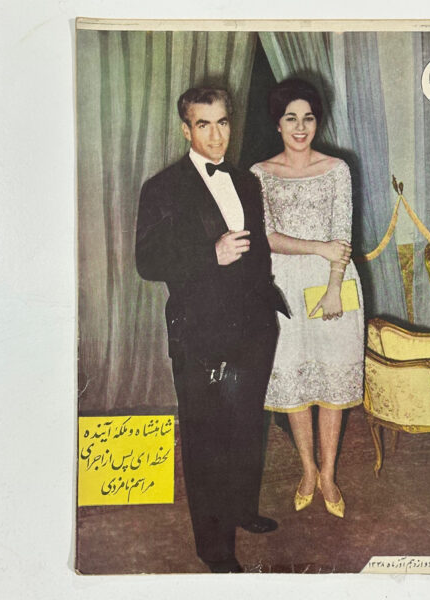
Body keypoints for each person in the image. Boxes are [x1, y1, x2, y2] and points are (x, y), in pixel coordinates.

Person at [135, 87, 289, 573]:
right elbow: (146, 262)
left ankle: (242, 508)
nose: (217, 135)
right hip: (199, 332)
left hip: (252, 327)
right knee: (206, 439)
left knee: (245, 424)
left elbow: (257, 250)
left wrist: (265, 310)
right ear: (186, 129)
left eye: (223, 122)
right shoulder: (162, 188)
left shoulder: (246, 182)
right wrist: (210, 255)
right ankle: (215, 548)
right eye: (204, 125)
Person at [250, 78, 365, 519]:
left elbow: (342, 236)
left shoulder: (337, 169)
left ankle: (329, 475)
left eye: (309, 118)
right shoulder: (260, 174)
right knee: (296, 381)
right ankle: (307, 470)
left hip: (334, 282)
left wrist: (334, 286)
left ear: (318, 122)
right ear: (277, 124)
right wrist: (318, 248)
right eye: (291, 118)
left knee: (332, 381)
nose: (300, 127)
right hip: (282, 287)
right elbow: (266, 237)